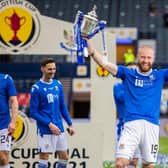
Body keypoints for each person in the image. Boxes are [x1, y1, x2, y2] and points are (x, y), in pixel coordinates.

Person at [85, 38, 168, 168]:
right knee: (120, 163)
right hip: (131, 125)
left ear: (153, 58)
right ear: (137, 58)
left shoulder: (160, 75)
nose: (146, 60)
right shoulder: (128, 74)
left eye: (149, 58)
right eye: (143, 57)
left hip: (152, 126)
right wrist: (92, 51)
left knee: (148, 165)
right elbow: (105, 64)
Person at [29, 58, 75, 168]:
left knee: (64, 157)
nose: (53, 71)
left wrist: (70, 124)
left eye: (54, 69)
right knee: (44, 157)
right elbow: (33, 112)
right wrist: (49, 124)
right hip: (45, 129)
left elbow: (62, 107)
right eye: (50, 69)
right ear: (43, 69)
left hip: (59, 127)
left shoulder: (57, 84)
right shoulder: (36, 88)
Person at [113, 63, 140, 168]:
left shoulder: (141, 87)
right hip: (124, 127)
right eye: (130, 71)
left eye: (134, 71)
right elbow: (122, 98)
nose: (132, 73)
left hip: (138, 127)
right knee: (121, 163)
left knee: (134, 161)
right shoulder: (118, 87)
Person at [0, 73, 18, 168]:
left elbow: (13, 100)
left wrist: (13, 122)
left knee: (3, 158)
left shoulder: (6, 78)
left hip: (3, 124)